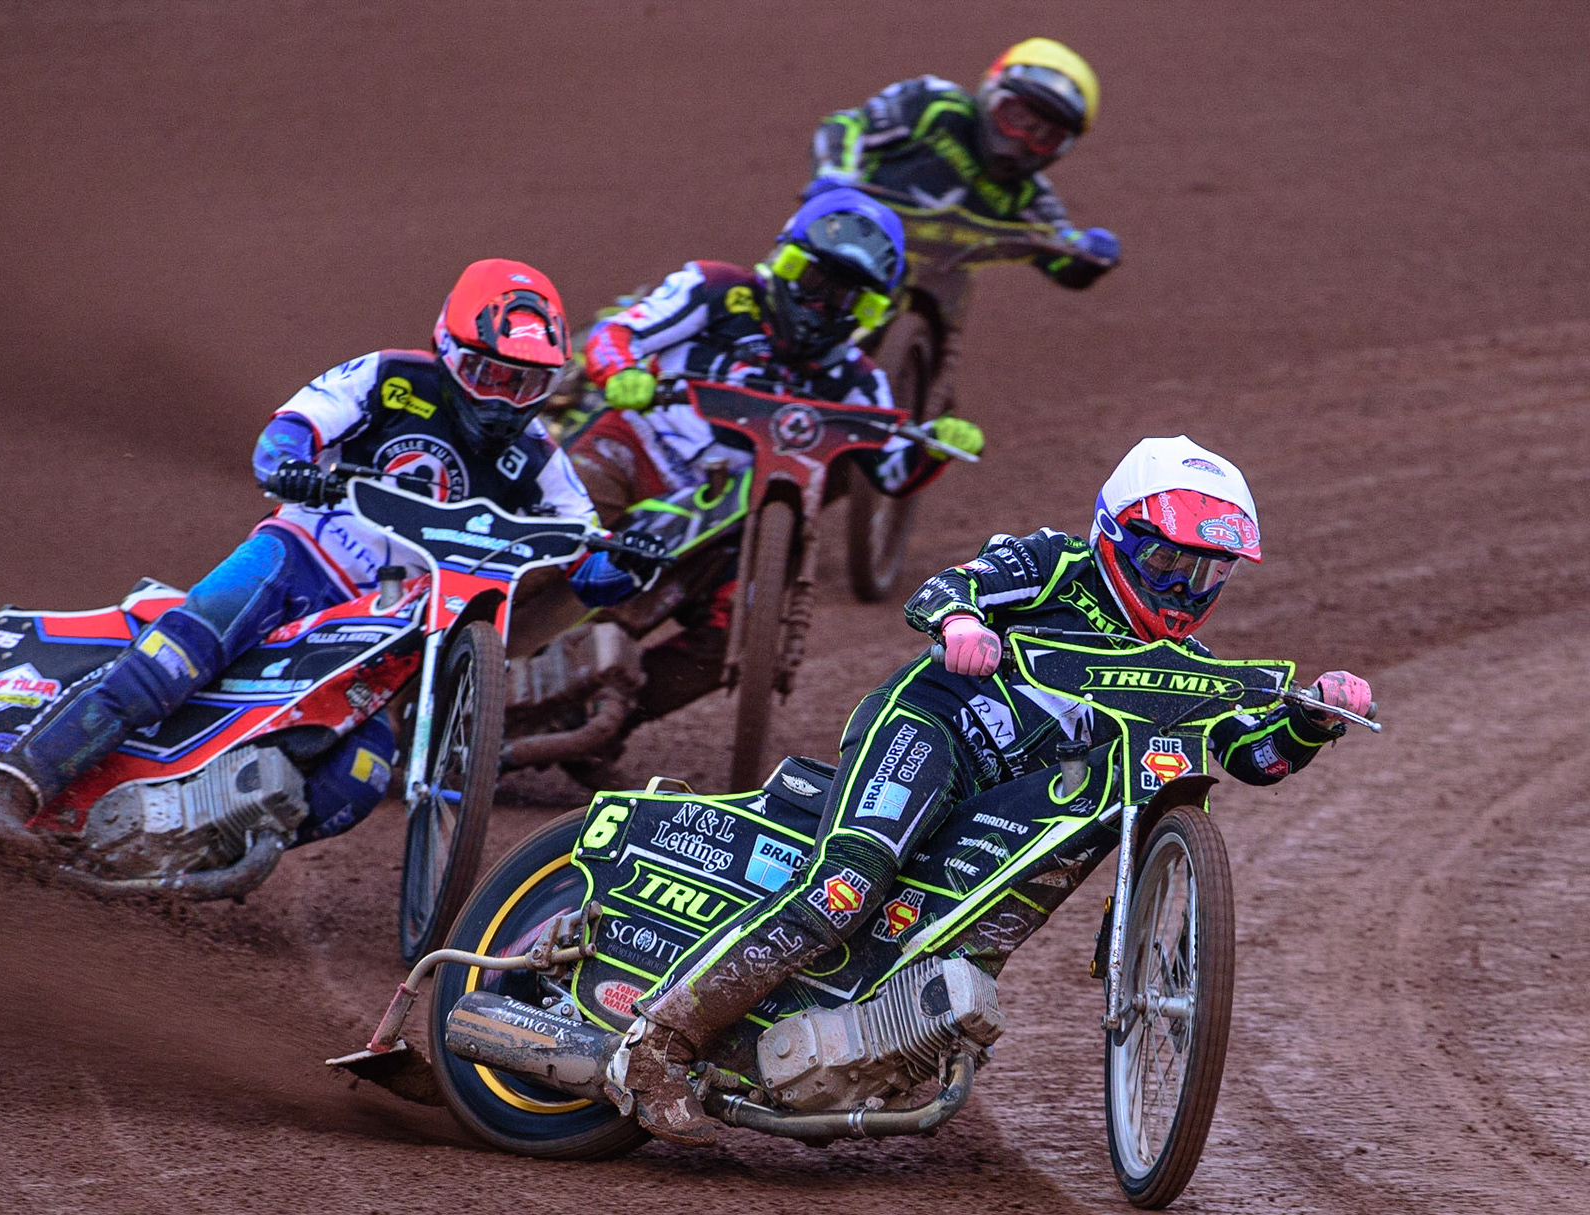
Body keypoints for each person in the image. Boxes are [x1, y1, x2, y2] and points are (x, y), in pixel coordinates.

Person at [614, 435, 1376, 1144]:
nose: (1184, 587)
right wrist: (960, 621)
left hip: (996, 805)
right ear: (1114, 535)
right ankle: (657, 1045)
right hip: (931, 730)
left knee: (953, 937)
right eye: (1167, 561)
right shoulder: (1056, 562)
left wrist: (1315, 716)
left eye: (1206, 572)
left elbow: (1256, 755)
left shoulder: (1186, 666)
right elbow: (948, 585)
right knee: (847, 884)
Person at [0, 260, 654, 856]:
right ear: (448, 349)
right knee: (170, 666)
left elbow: (585, 560)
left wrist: (630, 563)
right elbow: (290, 430)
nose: (501, 401)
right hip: (299, 561)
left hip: (387, 627)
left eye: (524, 384)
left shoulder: (539, 460)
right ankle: (9, 789)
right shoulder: (387, 377)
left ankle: (177, 847)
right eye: (486, 373)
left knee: (358, 777)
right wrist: (291, 466)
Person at [567, 187, 984, 723]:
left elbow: (893, 470)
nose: (821, 305)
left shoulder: (856, 378)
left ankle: (596, 722)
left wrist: (937, 445)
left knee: (735, 634)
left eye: (846, 298)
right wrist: (621, 370)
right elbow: (618, 332)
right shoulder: (716, 290)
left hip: (729, 521)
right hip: (635, 451)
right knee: (559, 535)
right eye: (814, 281)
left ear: (869, 310)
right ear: (785, 262)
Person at [807, 38, 1121, 418]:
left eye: (1044, 136)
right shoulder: (933, 105)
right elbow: (848, 124)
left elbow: (1061, 251)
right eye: (1016, 118)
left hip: (937, 286)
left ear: (1061, 148)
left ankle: (921, 417)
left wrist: (1088, 253)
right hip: (849, 235)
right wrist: (835, 175)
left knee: (945, 416)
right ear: (991, 94)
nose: (1021, 138)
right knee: (779, 292)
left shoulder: (1028, 197)